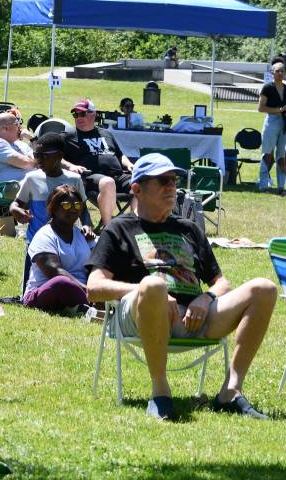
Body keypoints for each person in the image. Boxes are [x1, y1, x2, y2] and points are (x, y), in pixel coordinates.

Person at [86, 153, 278, 421]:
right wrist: (146, 292)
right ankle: (160, 391)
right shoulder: (119, 228)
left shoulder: (188, 228)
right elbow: (94, 287)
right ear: (137, 189)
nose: (171, 187)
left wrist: (207, 298)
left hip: (194, 318)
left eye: (174, 180)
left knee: (264, 288)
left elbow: (221, 282)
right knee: (153, 284)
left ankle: (230, 392)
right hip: (143, 316)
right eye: (162, 180)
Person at [10, 132, 91, 289]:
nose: (38, 159)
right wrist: (16, 211)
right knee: (30, 288)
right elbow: (15, 204)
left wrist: (87, 225)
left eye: (43, 155)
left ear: (60, 156)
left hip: (65, 242)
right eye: (35, 154)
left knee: (62, 277)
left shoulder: (73, 179)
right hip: (36, 241)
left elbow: (84, 209)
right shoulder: (32, 178)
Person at [22, 185, 95, 314]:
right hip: (46, 291)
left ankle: (81, 306)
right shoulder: (44, 235)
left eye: (77, 205)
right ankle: (92, 305)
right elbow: (55, 272)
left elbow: (94, 266)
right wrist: (89, 291)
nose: (73, 209)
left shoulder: (83, 235)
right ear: (54, 208)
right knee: (61, 282)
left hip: (84, 290)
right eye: (67, 205)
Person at [62, 98, 129, 226]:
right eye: (75, 114)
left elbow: (120, 155)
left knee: (143, 182)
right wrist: (71, 166)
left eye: (82, 114)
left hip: (118, 175)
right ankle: (109, 228)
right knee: (108, 183)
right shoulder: (69, 136)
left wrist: (129, 164)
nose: (78, 117)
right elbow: (56, 156)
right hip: (91, 178)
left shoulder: (106, 133)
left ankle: (139, 224)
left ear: (93, 114)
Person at [256, 59, 286, 194]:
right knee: (268, 155)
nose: (280, 73)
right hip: (271, 122)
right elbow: (260, 108)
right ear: (272, 73)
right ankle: (263, 184)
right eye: (277, 71)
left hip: (284, 124)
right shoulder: (267, 87)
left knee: (282, 156)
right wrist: (279, 110)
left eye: (282, 71)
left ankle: (281, 187)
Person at [0, 111, 35, 185]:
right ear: (6, 128)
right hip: (7, 191)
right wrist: (36, 161)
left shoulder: (20, 144)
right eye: (17, 124)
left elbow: (40, 159)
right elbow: (27, 163)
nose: (20, 128)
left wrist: (32, 139)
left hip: (28, 185)